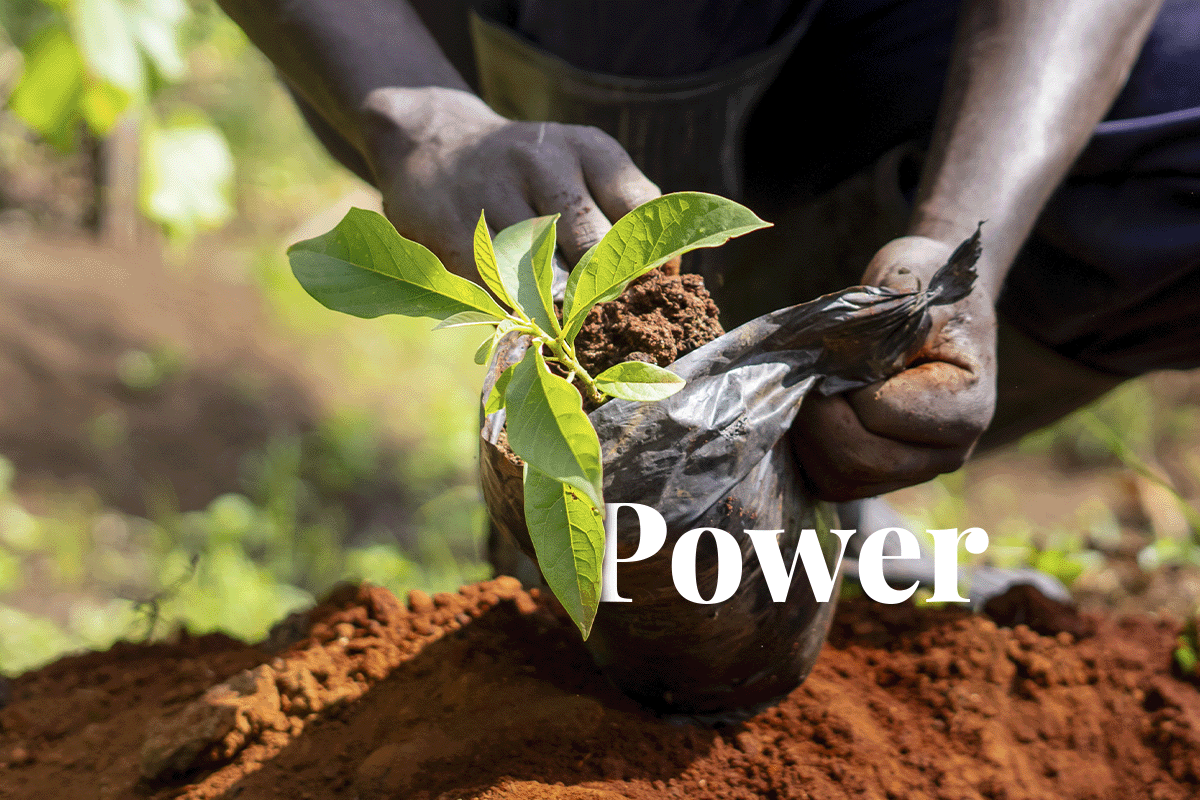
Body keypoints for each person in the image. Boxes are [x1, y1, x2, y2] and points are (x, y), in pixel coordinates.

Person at [215, 0, 1196, 513]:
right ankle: (619, 475)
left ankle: (778, 449)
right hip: (456, 40)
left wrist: (955, 245)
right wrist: (416, 114)